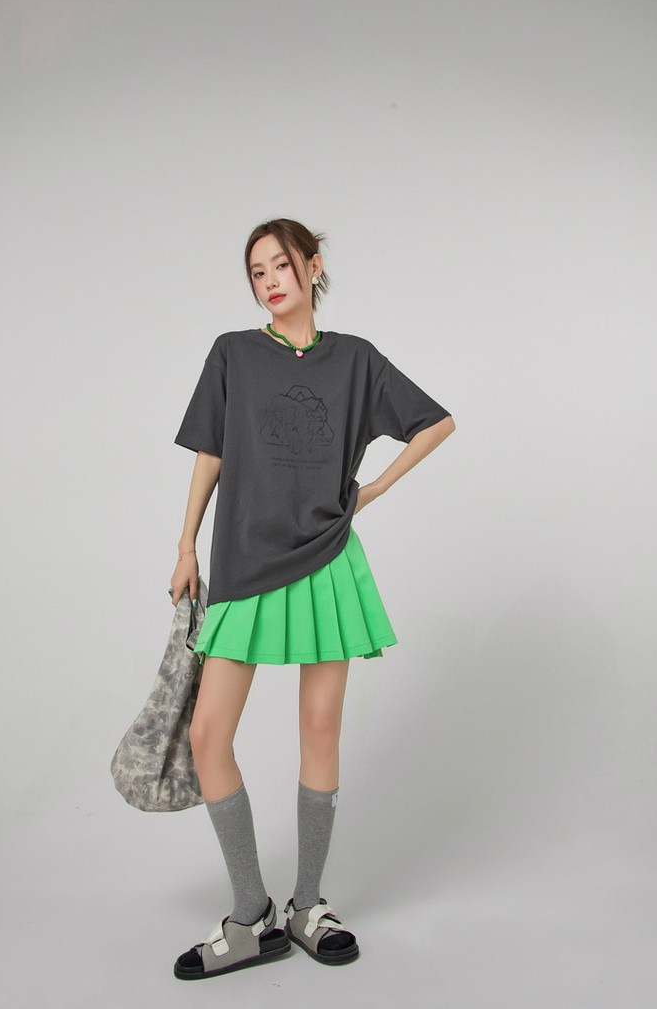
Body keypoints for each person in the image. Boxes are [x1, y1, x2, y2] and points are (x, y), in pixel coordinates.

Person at [169, 218, 455, 980]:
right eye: (256, 271)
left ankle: (307, 905)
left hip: (325, 558)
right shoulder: (233, 353)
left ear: (313, 266)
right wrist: (186, 543)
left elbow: (436, 422)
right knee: (208, 733)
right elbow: (211, 451)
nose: (269, 280)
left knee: (320, 727)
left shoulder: (355, 359)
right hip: (245, 560)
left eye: (281, 264)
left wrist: (373, 489)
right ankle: (249, 912)